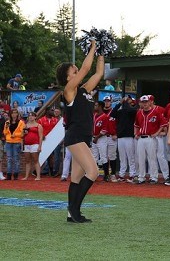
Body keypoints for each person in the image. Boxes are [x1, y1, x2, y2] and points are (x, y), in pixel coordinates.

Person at [56, 39, 104, 223]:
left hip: (83, 137)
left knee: (76, 178)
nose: (78, 71)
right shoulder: (69, 90)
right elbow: (86, 69)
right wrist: (92, 47)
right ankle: (74, 210)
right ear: (68, 78)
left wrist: (100, 52)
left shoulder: (84, 90)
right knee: (92, 172)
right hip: (75, 136)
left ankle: (71, 214)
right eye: (74, 71)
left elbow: (98, 73)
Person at [134, 95, 167, 184]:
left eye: (146, 102)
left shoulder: (156, 112)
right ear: (140, 103)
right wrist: (135, 133)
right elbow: (136, 125)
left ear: (150, 102)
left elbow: (163, 124)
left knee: (152, 158)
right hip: (141, 138)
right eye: (143, 102)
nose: (144, 104)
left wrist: (157, 133)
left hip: (151, 138)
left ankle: (154, 177)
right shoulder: (139, 113)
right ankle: (141, 177)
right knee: (140, 158)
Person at [110, 95, 138, 182]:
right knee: (122, 157)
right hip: (121, 136)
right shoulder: (120, 111)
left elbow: (129, 109)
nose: (128, 101)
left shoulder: (133, 110)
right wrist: (120, 103)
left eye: (130, 100)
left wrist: (126, 102)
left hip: (129, 136)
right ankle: (121, 175)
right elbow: (112, 113)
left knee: (131, 157)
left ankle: (132, 174)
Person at [3, 108, 25, 180]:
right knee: (9, 159)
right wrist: (6, 127)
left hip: (17, 142)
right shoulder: (7, 122)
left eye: (15, 113)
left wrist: (15, 135)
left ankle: (15, 174)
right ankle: (9, 174)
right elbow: (5, 132)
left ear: (17, 114)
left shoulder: (21, 122)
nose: (14, 114)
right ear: (10, 114)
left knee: (16, 159)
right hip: (8, 142)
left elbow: (22, 133)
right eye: (12, 113)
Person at [91, 101, 110, 182]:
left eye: (96, 105)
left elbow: (105, 130)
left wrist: (97, 137)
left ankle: (106, 175)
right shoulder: (94, 115)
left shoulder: (105, 116)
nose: (95, 106)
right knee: (94, 157)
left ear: (100, 106)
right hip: (94, 137)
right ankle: (94, 174)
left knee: (103, 157)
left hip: (101, 138)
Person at [21, 112, 43, 181]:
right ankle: (26, 176)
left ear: (35, 117)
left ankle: (38, 176)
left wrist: (40, 146)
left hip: (35, 144)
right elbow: (22, 136)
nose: (31, 117)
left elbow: (41, 136)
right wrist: (22, 144)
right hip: (26, 144)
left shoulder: (38, 125)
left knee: (36, 160)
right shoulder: (25, 125)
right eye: (29, 116)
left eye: (32, 116)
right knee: (27, 161)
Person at [38, 107, 59, 176]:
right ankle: (37, 170)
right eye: (51, 110)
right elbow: (38, 129)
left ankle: (51, 171)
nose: (53, 112)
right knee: (43, 155)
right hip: (44, 140)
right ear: (47, 111)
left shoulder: (55, 120)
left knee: (51, 156)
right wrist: (42, 135)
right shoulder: (41, 120)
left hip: (52, 141)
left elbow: (57, 130)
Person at [102, 95, 118, 182]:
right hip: (103, 137)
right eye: (105, 101)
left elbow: (119, 123)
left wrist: (116, 133)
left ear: (111, 102)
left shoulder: (114, 111)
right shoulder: (101, 112)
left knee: (112, 156)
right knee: (104, 156)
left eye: (108, 101)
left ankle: (113, 174)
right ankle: (106, 174)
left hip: (112, 137)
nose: (107, 102)